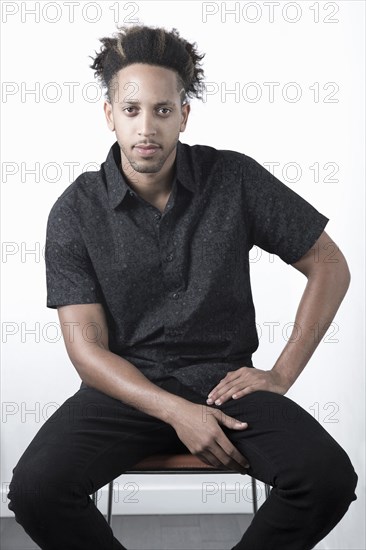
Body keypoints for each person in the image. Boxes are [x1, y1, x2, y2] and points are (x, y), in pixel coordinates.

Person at [7, 24, 358, 550]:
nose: (146, 127)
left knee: (327, 478)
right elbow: (85, 350)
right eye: (131, 110)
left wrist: (280, 374)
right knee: (36, 489)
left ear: (183, 114)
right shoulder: (75, 211)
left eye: (163, 110)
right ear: (110, 114)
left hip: (223, 386)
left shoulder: (234, 178)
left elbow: (329, 264)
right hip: (125, 390)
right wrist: (176, 412)